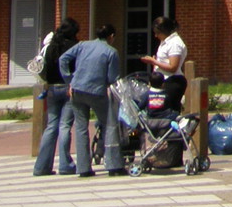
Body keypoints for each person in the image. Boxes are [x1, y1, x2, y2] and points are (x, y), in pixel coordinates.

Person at [60, 23, 125, 177]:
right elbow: (112, 77)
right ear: (111, 37)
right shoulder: (111, 52)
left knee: (81, 128)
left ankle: (83, 168)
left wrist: (69, 79)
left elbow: (63, 59)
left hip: (76, 89)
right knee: (110, 124)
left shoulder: (83, 45)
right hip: (96, 92)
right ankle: (114, 165)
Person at [32, 16, 79, 175]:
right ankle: (65, 164)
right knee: (65, 126)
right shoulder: (74, 47)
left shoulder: (51, 47)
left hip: (51, 88)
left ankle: (41, 166)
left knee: (51, 126)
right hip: (68, 88)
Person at [140, 15, 188, 110]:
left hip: (173, 81)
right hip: (163, 80)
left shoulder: (175, 43)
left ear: (164, 31)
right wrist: (156, 62)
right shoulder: (165, 41)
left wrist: (154, 61)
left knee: (167, 110)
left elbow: (173, 67)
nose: (156, 36)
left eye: (157, 33)